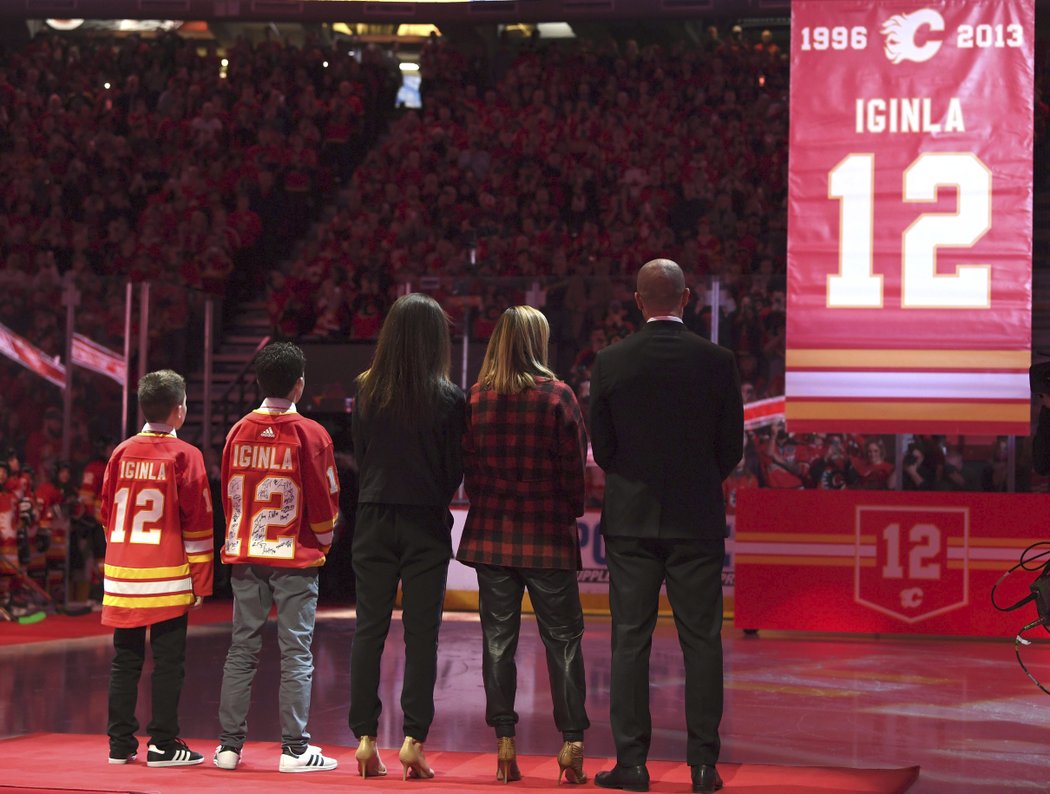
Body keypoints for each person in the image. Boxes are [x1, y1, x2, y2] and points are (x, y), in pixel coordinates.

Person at [590, 259, 743, 794]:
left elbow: (603, 449)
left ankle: (631, 765)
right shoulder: (718, 361)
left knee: (629, 642)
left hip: (630, 522)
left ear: (638, 301)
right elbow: (732, 448)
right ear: (686, 299)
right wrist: (698, 481)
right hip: (696, 520)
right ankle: (703, 766)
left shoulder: (611, 362)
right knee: (702, 641)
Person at [457, 306, 590, 785]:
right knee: (564, 643)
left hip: (492, 537)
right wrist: (568, 507)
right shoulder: (559, 397)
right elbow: (576, 478)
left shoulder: (474, 398)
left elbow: (469, 476)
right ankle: (571, 744)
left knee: (497, 642)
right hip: (549, 538)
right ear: (539, 342)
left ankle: (505, 743)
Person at [349, 293, 465, 781]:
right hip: (424, 519)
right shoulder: (450, 398)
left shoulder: (367, 388)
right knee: (423, 636)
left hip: (373, 514)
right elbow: (454, 472)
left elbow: (361, 453)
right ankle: (414, 740)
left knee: (368, 631)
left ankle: (364, 739)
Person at [215, 341, 340, 774]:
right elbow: (325, 501)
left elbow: (229, 494)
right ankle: (294, 750)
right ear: (300, 384)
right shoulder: (312, 433)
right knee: (296, 653)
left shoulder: (236, 431)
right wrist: (323, 541)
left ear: (258, 380)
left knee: (241, 649)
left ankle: (228, 749)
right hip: (296, 558)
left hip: (246, 554)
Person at [99, 369, 213, 768]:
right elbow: (198, 524)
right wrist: (201, 580)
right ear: (180, 410)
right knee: (168, 662)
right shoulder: (187, 456)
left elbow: (105, 513)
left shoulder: (121, 451)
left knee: (124, 660)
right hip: (166, 577)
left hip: (123, 575)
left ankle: (119, 745)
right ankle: (164, 743)